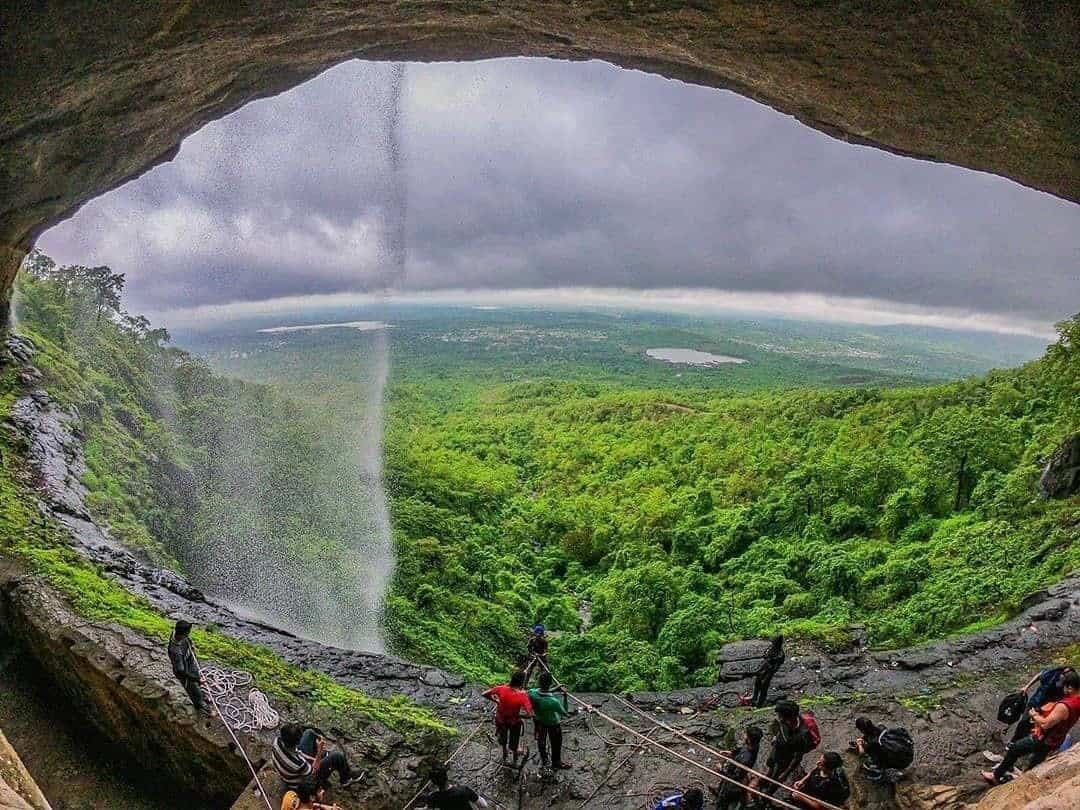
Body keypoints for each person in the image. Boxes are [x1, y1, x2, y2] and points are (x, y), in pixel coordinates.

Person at [983, 670, 1080, 785]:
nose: (1062, 689)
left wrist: (1034, 715)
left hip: (1043, 738)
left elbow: (1045, 724)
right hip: (1056, 740)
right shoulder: (1077, 701)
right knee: (1036, 762)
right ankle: (1023, 781)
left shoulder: (1064, 706)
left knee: (1015, 750)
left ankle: (996, 776)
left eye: (1064, 687)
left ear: (1070, 688)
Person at [273, 723, 362, 790]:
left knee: (309, 733)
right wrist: (319, 753)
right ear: (297, 742)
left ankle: (324, 758)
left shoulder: (277, 741)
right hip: (301, 783)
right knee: (337, 756)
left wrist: (315, 757)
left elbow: (298, 752)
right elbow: (313, 771)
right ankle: (346, 779)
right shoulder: (298, 763)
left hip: (291, 768)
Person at [755, 700, 817, 796]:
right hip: (777, 750)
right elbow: (781, 731)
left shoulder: (802, 736)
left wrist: (786, 773)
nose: (778, 718)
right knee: (771, 768)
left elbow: (798, 757)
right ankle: (764, 782)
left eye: (780, 715)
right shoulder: (785, 722)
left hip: (785, 760)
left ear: (789, 717)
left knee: (777, 778)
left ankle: (766, 795)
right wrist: (776, 737)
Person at [482, 670, 532, 765]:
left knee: (503, 737)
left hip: (501, 720)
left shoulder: (501, 688)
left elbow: (484, 694)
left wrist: (496, 701)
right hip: (513, 722)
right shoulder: (523, 695)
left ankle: (504, 752)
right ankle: (514, 758)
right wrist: (518, 715)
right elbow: (529, 714)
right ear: (522, 682)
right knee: (514, 740)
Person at [529, 671, 572, 771]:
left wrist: (555, 689)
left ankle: (545, 760)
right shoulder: (553, 702)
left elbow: (541, 692)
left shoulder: (532, 692)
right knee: (556, 743)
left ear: (539, 682)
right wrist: (565, 696)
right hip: (553, 723)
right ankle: (556, 762)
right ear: (550, 684)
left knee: (541, 740)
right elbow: (565, 712)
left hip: (540, 721)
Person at [167, 620, 211, 714]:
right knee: (193, 690)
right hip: (185, 673)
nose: (188, 635)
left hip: (189, 663)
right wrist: (197, 680)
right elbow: (181, 671)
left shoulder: (176, 633)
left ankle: (201, 694)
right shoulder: (176, 652)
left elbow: (187, 640)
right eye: (187, 633)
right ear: (182, 635)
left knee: (197, 682)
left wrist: (191, 645)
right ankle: (201, 707)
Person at [716, 725, 763, 809]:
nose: (744, 735)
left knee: (724, 799)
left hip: (734, 783)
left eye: (746, 734)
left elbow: (735, 776)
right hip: (737, 773)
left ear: (749, 739)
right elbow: (742, 749)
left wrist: (721, 769)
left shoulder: (746, 758)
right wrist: (732, 753)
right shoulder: (755, 745)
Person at [854, 717, 914, 781]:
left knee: (869, 761)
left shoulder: (872, 744)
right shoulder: (881, 727)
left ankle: (883, 774)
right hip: (908, 754)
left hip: (902, 763)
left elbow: (862, 753)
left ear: (862, 730)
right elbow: (872, 734)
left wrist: (859, 744)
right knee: (882, 751)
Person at [741, 635, 785, 708]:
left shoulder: (780, 654)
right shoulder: (771, 648)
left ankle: (760, 704)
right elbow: (765, 656)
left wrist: (769, 672)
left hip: (770, 670)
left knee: (764, 686)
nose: (772, 644)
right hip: (764, 667)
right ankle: (754, 697)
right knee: (757, 681)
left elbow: (776, 665)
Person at [419, 764, 488, 810]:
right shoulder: (463, 790)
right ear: (446, 776)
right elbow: (483, 805)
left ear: (433, 782)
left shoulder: (433, 798)